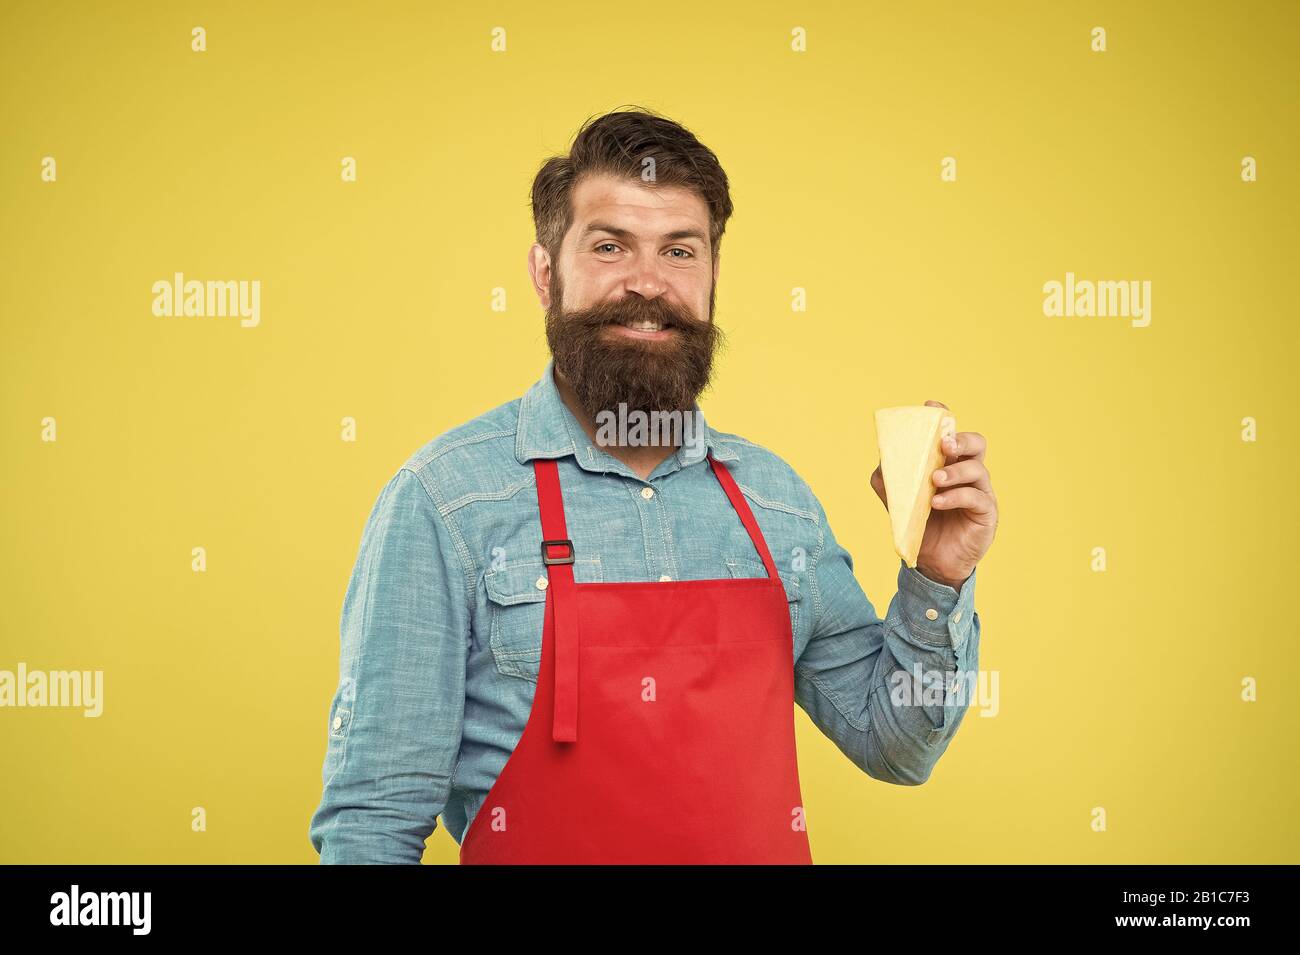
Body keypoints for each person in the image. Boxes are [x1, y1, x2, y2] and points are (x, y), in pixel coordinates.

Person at [308, 106, 998, 864]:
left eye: (679, 250)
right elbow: (370, 825)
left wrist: (937, 575)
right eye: (610, 246)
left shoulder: (775, 503)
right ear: (546, 274)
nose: (648, 282)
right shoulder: (445, 502)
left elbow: (895, 745)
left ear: (712, 276)